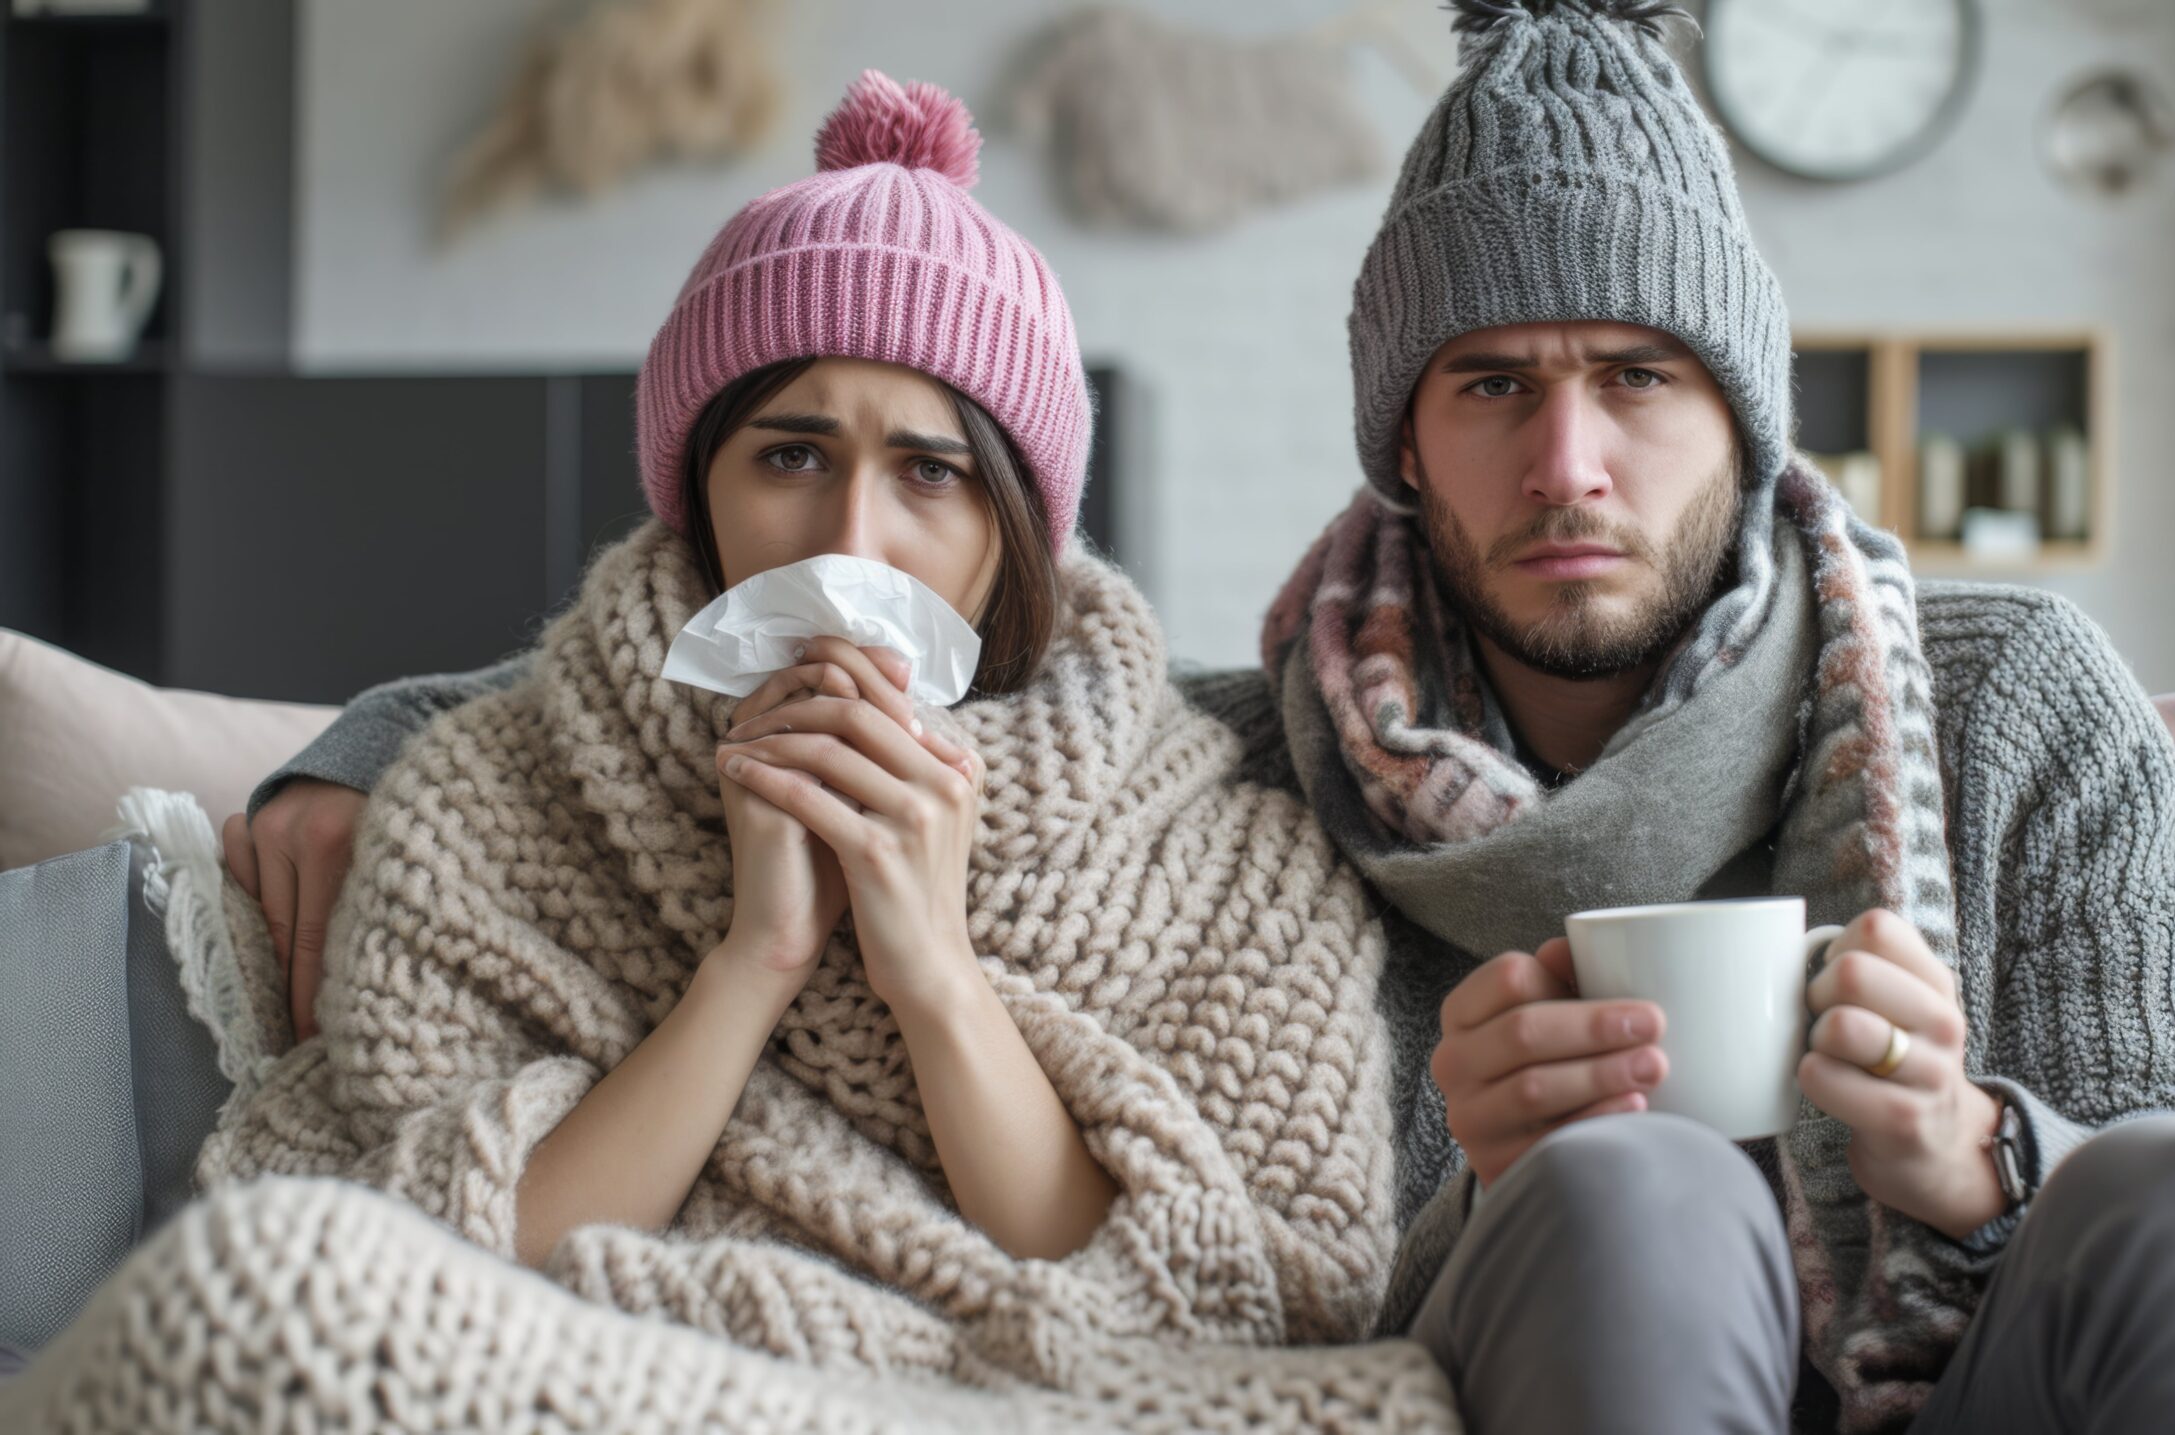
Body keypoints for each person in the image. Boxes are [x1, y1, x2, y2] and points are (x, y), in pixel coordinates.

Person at [227, 7, 2175, 1433]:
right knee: (1628, 1197)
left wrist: (1968, 1154)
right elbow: (831, 658)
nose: (1565, 459)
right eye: (1490, 386)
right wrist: (346, 743)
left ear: (1742, 418)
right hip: (1582, 1331)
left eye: (1635, 378)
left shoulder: (2010, 697)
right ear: (1400, 444)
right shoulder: (1275, 753)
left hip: (2008, 1366)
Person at [169, 68, 1411, 1419]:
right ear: (697, 486)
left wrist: (929, 962)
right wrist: (753, 959)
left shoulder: (1229, 855)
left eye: (930, 475)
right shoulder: (481, 801)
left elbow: (1213, 1305)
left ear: (1017, 535)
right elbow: (444, 1268)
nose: (849, 545)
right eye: (789, 457)